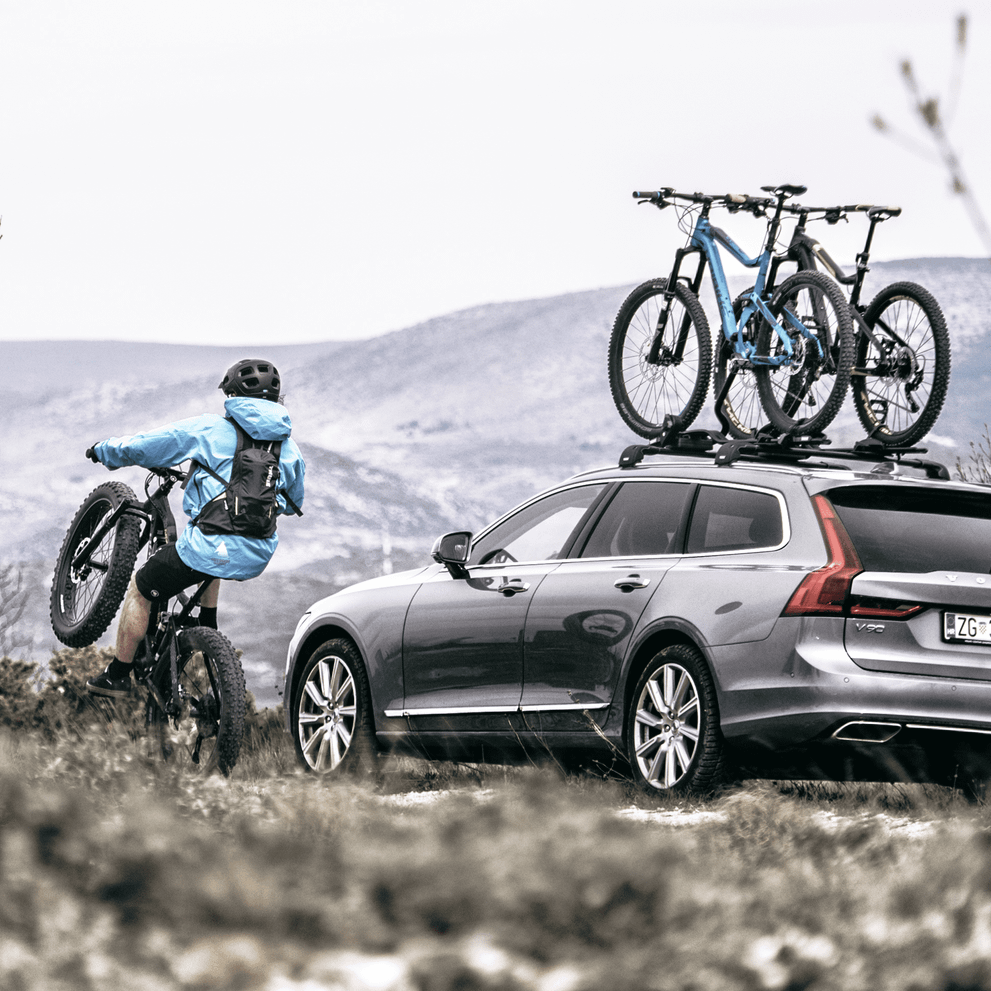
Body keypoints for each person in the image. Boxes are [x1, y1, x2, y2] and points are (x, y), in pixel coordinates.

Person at [85, 358, 305, 697]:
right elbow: (291, 504)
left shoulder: (211, 429)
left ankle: (116, 675)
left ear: (232, 395)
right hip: (258, 555)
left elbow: (146, 446)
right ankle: (208, 620)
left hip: (208, 547)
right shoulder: (289, 450)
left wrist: (106, 451)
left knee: (141, 589)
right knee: (218, 538)